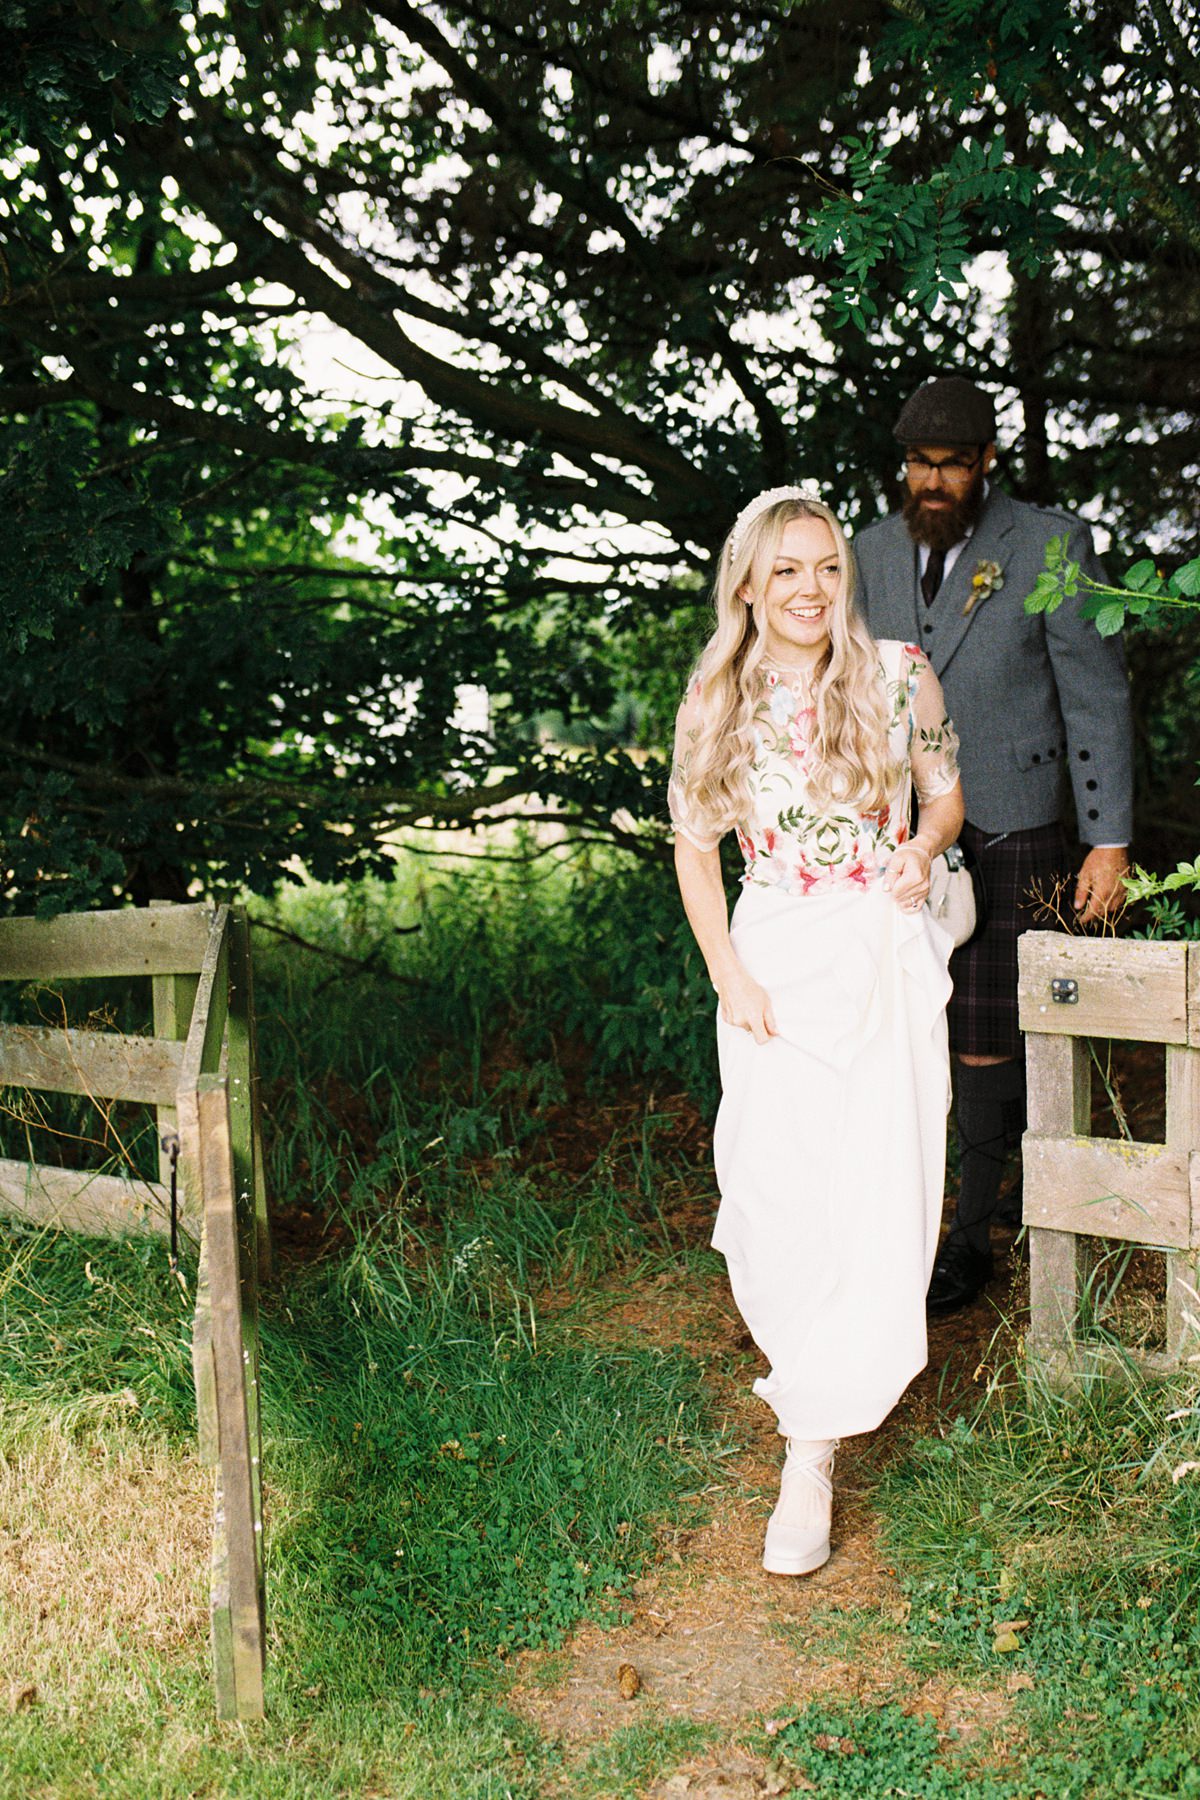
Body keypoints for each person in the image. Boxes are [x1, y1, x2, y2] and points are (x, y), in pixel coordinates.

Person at [669, 486, 964, 1576]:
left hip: (878, 955)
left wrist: (922, 851)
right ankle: (808, 1398)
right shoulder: (717, 696)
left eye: (826, 567)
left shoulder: (898, 675)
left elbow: (944, 795)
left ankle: (811, 1449)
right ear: (748, 581)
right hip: (775, 963)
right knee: (780, 1187)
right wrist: (729, 973)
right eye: (785, 570)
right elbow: (696, 847)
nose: (808, 589)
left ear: (846, 576)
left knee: (875, 1187)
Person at [854, 376, 1134, 1315]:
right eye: (919, 464)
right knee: (899, 1035)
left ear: (987, 464)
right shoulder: (865, 555)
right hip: (900, 836)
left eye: (951, 465)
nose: (932, 482)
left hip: (1015, 822)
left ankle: (968, 1243)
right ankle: (897, 1222)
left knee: (983, 1045)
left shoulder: (1052, 544)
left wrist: (1108, 840)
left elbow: (1096, 694)